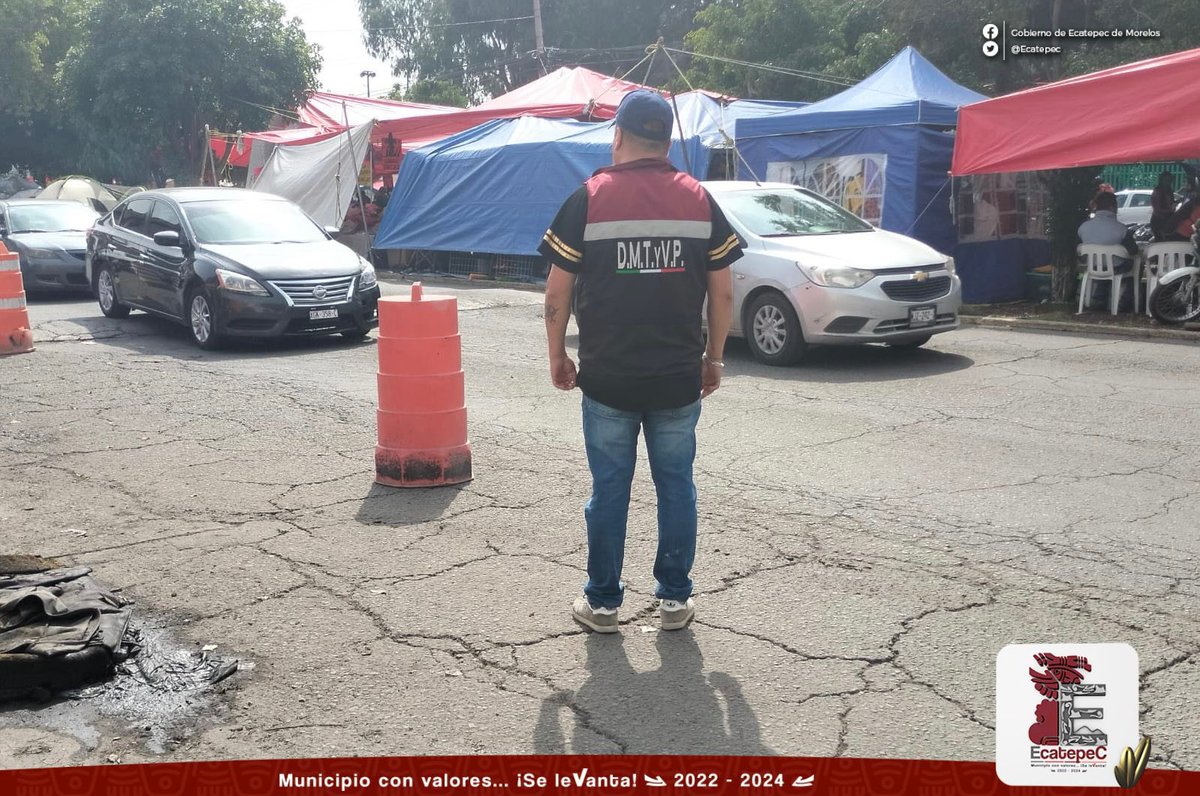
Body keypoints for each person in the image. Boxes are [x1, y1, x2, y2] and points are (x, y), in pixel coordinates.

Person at [539, 89, 741, 634]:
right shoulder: (699, 199)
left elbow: (557, 292)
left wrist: (557, 354)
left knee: (609, 490)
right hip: (678, 379)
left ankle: (603, 603)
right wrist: (715, 358)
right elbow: (723, 293)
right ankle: (675, 600)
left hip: (608, 379)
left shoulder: (589, 198)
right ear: (667, 141)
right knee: (676, 487)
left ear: (619, 137)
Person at [1078, 191, 1137, 309]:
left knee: (1103, 265)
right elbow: (1133, 251)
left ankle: (1099, 297)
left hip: (1092, 266)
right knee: (1135, 265)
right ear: (1112, 207)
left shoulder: (1083, 227)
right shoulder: (1121, 229)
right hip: (1116, 268)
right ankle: (1125, 301)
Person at [1150, 171, 1177, 241]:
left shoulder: (1169, 191)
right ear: (1161, 181)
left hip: (1168, 220)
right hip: (1158, 221)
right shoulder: (1157, 191)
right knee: (1160, 241)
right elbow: (1156, 208)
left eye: (1170, 180)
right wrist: (1170, 211)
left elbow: (1171, 203)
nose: (1168, 182)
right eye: (1166, 180)